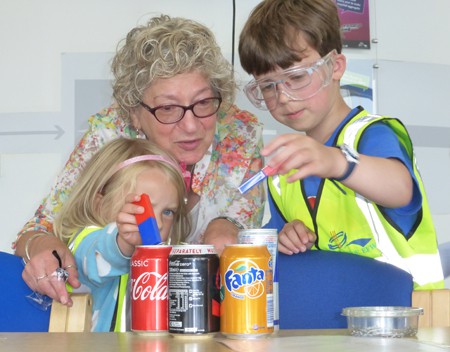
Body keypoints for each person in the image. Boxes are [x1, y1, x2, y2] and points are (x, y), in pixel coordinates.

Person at [14, 15, 265, 307]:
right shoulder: (108, 135)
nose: (192, 126)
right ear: (134, 113)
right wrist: (41, 246)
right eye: (169, 108)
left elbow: (246, 238)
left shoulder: (240, 133)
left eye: (204, 102)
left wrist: (228, 225)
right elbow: (39, 229)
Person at [238, 0, 443, 290]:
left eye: (296, 77)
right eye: (268, 86)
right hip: (335, 325)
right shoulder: (285, 169)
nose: (283, 97)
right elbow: (279, 241)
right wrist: (286, 235)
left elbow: (400, 189)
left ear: (335, 67)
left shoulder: (373, 134)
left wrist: (338, 162)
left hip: (407, 319)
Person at [52, 138, 189, 331]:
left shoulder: (163, 255)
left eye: (168, 212)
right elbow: (96, 258)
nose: (157, 223)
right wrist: (122, 243)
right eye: (141, 209)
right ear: (99, 202)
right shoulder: (84, 240)